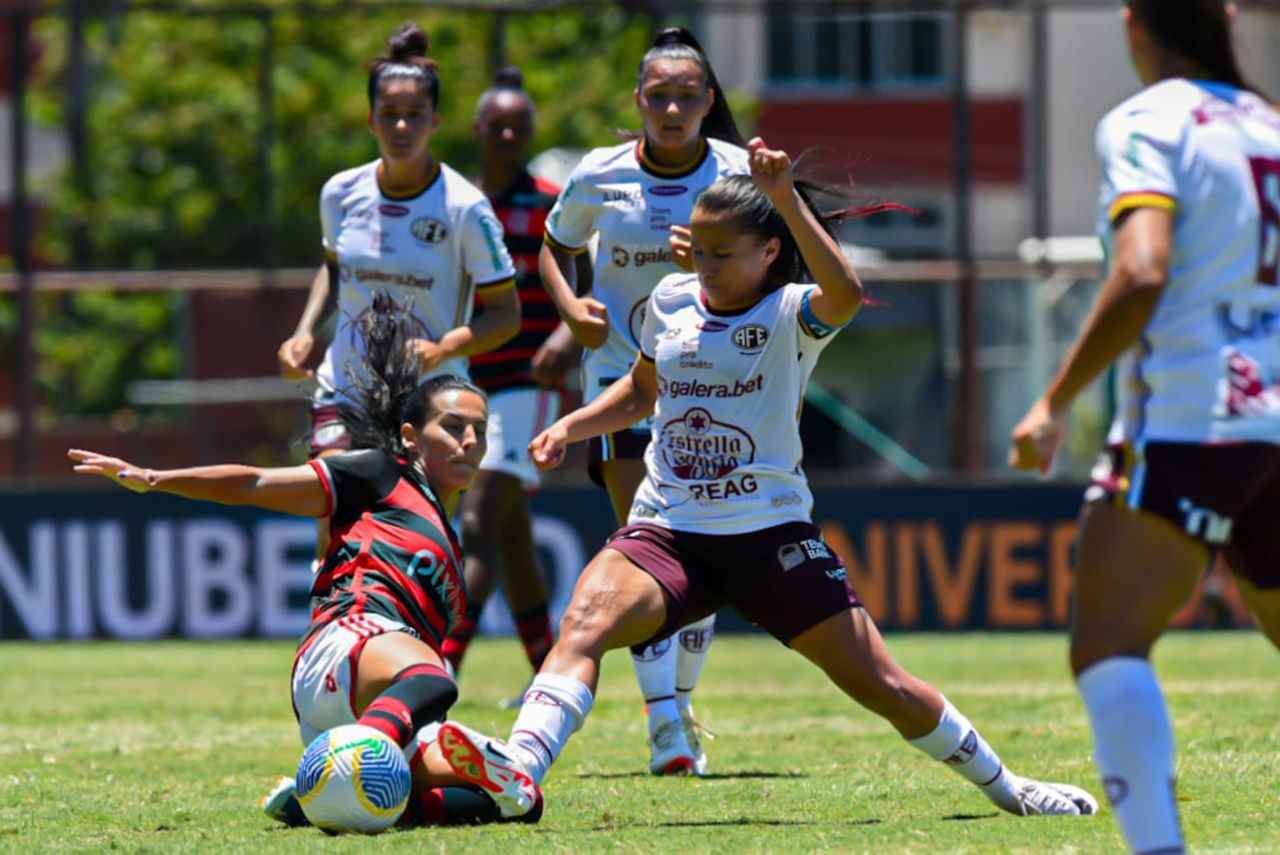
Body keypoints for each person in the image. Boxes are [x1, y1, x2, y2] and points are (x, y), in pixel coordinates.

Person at [432, 139, 1100, 822]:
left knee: (884, 684)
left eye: (724, 253)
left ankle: (1010, 787)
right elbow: (640, 393)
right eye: (702, 248)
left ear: (769, 253)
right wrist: (571, 427)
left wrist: (782, 196)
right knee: (583, 622)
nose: (706, 265)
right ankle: (517, 772)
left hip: (769, 537)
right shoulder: (669, 300)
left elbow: (846, 292)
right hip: (670, 529)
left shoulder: (792, 315)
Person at [70, 295, 541, 828]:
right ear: (410, 436)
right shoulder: (380, 473)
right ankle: (365, 756)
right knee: (435, 678)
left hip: (355, 703)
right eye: (454, 427)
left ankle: (318, 796)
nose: (471, 441)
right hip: (350, 641)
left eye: (480, 430)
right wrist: (155, 478)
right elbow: (253, 482)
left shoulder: (447, 541)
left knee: (518, 801)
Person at [1009, 2, 1280, 852]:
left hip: (1193, 419)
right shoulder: (1267, 123)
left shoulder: (1149, 120)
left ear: (1134, 23)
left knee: (1109, 643)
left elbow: (1142, 267)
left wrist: (1053, 397)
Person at [538, 25, 751, 776]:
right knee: (647, 539)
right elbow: (553, 242)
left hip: (713, 386)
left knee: (707, 554)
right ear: (639, 100)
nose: (670, 108)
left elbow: (773, 260)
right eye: (657, 96)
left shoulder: (735, 175)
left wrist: (725, 270)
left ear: (707, 101)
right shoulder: (599, 175)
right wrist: (570, 305)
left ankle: (679, 700)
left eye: (686, 96)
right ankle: (665, 724)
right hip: (621, 384)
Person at [275, 21, 520, 561]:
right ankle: (332, 634)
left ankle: (411, 638)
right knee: (336, 514)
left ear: (435, 120)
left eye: (414, 114)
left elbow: (506, 314)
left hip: (429, 398)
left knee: (416, 544)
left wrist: (443, 348)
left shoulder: (464, 207)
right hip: (347, 385)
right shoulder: (341, 193)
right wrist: (302, 333)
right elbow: (334, 268)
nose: (402, 125)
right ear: (371, 120)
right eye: (389, 114)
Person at [440, 67, 589, 688]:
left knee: (475, 523)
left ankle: (441, 665)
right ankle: (547, 672)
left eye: (519, 126)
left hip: (527, 387)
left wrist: (565, 335)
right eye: (497, 125)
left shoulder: (550, 204)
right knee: (511, 536)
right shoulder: (457, 204)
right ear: (476, 129)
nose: (508, 134)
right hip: (465, 387)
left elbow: (584, 279)